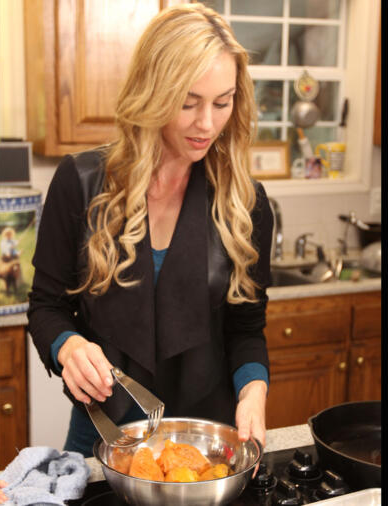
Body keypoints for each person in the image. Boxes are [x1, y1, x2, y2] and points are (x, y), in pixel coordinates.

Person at [26, 0, 271, 468]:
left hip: (207, 442)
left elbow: (246, 328)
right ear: (151, 93)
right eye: (187, 102)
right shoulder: (80, 183)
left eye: (223, 102)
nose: (206, 124)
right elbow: (47, 306)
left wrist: (254, 394)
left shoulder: (244, 203)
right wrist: (68, 346)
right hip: (105, 432)